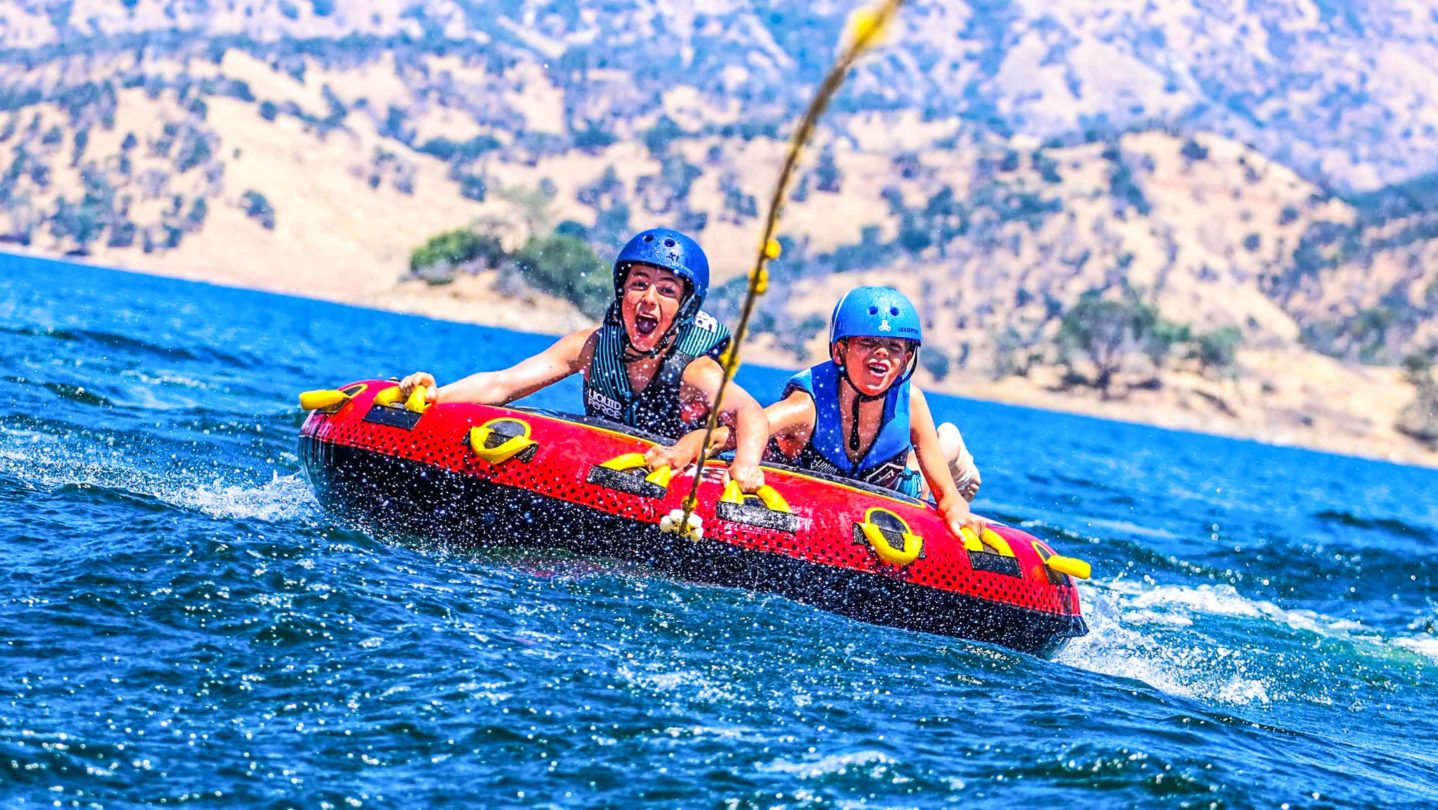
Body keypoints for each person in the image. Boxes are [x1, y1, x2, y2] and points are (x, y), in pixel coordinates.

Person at [397, 228, 768, 491]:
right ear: (621, 291)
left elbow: (750, 413)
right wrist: (436, 395)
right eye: (638, 283)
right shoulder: (590, 347)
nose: (649, 300)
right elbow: (504, 383)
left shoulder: (694, 369)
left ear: (685, 308)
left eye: (667, 290)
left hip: (672, 477)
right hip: (603, 468)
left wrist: (744, 464)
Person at [689, 286, 981, 538]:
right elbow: (748, 427)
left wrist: (955, 505)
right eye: (867, 343)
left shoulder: (911, 402)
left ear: (906, 359)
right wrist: (694, 444)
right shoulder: (807, 407)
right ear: (840, 351)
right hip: (825, 486)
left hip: (892, 484)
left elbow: (948, 497)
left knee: (921, 477)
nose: (881, 354)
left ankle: (951, 446)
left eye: (893, 347)